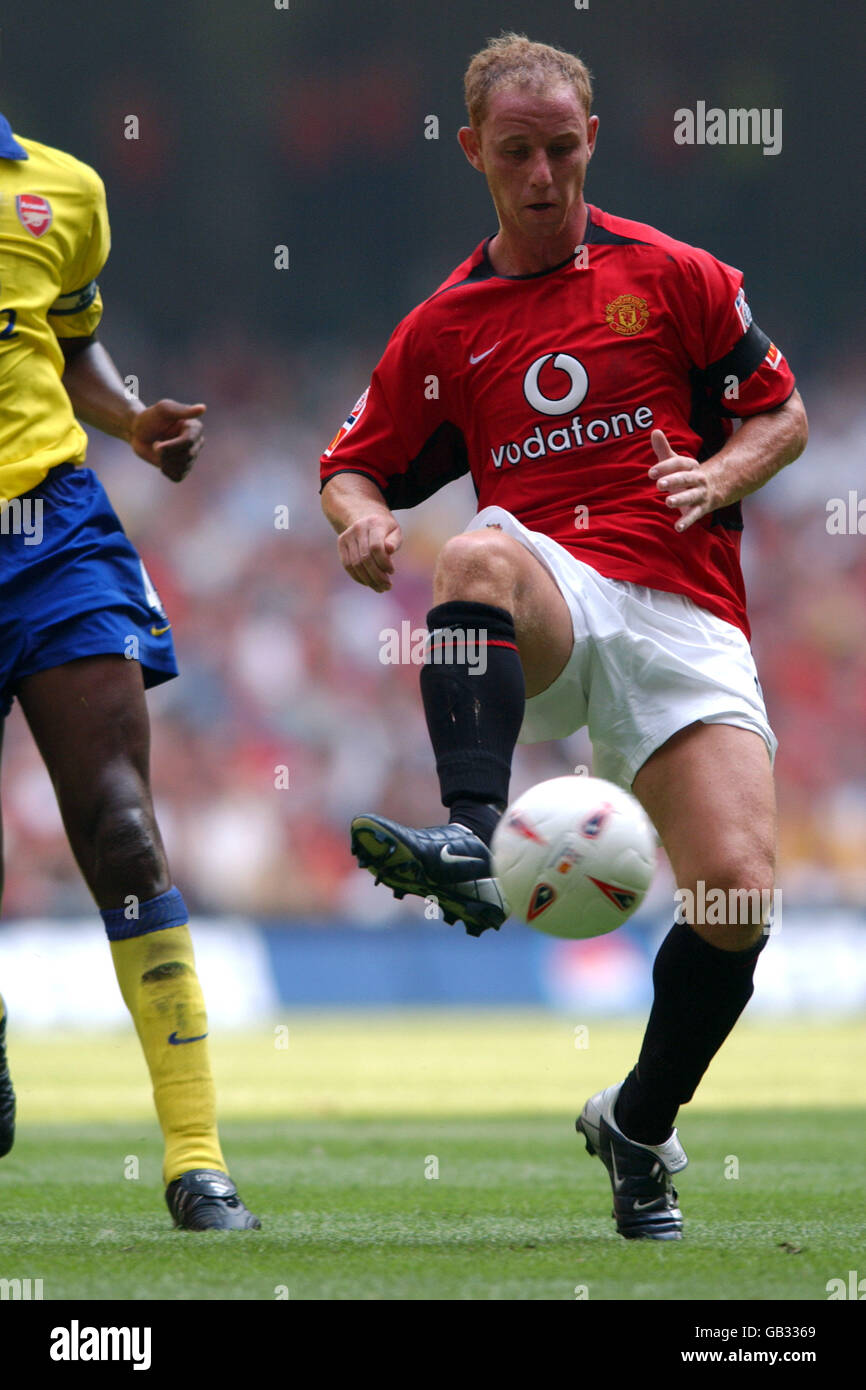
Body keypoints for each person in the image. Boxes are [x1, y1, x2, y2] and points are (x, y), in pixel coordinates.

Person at [319, 33, 808, 1241]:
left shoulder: (677, 274)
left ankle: (636, 1125)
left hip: (683, 608)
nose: (542, 176)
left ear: (589, 142)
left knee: (739, 899)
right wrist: (363, 521)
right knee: (473, 553)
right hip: (552, 594)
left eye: (561, 149)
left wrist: (719, 470)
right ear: (472, 149)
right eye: (517, 153)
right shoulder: (445, 327)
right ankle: (476, 838)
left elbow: (779, 413)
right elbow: (350, 468)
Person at [0, 112, 258, 1230]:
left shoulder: (62, 188)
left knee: (121, 824)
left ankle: (196, 1159)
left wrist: (128, 421)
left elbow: (66, 336)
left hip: (51, 529)